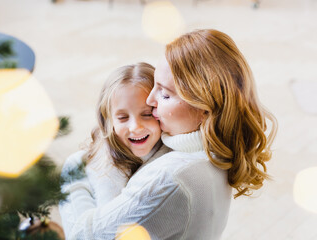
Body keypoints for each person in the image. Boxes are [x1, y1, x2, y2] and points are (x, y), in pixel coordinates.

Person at [59, 29, 277, 240]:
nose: (151, 100)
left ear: (204, 108)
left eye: (164, 95)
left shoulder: (169, 180)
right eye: (155, 85)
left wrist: (72, 173)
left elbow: (83, 236)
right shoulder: (216, 148)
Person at [59, 62, 170, 237]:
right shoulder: (105, 165)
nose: (135, 127)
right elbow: (106, 230)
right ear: (109, 121)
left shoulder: (170, 156)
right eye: (123, 117)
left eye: (147, 114)